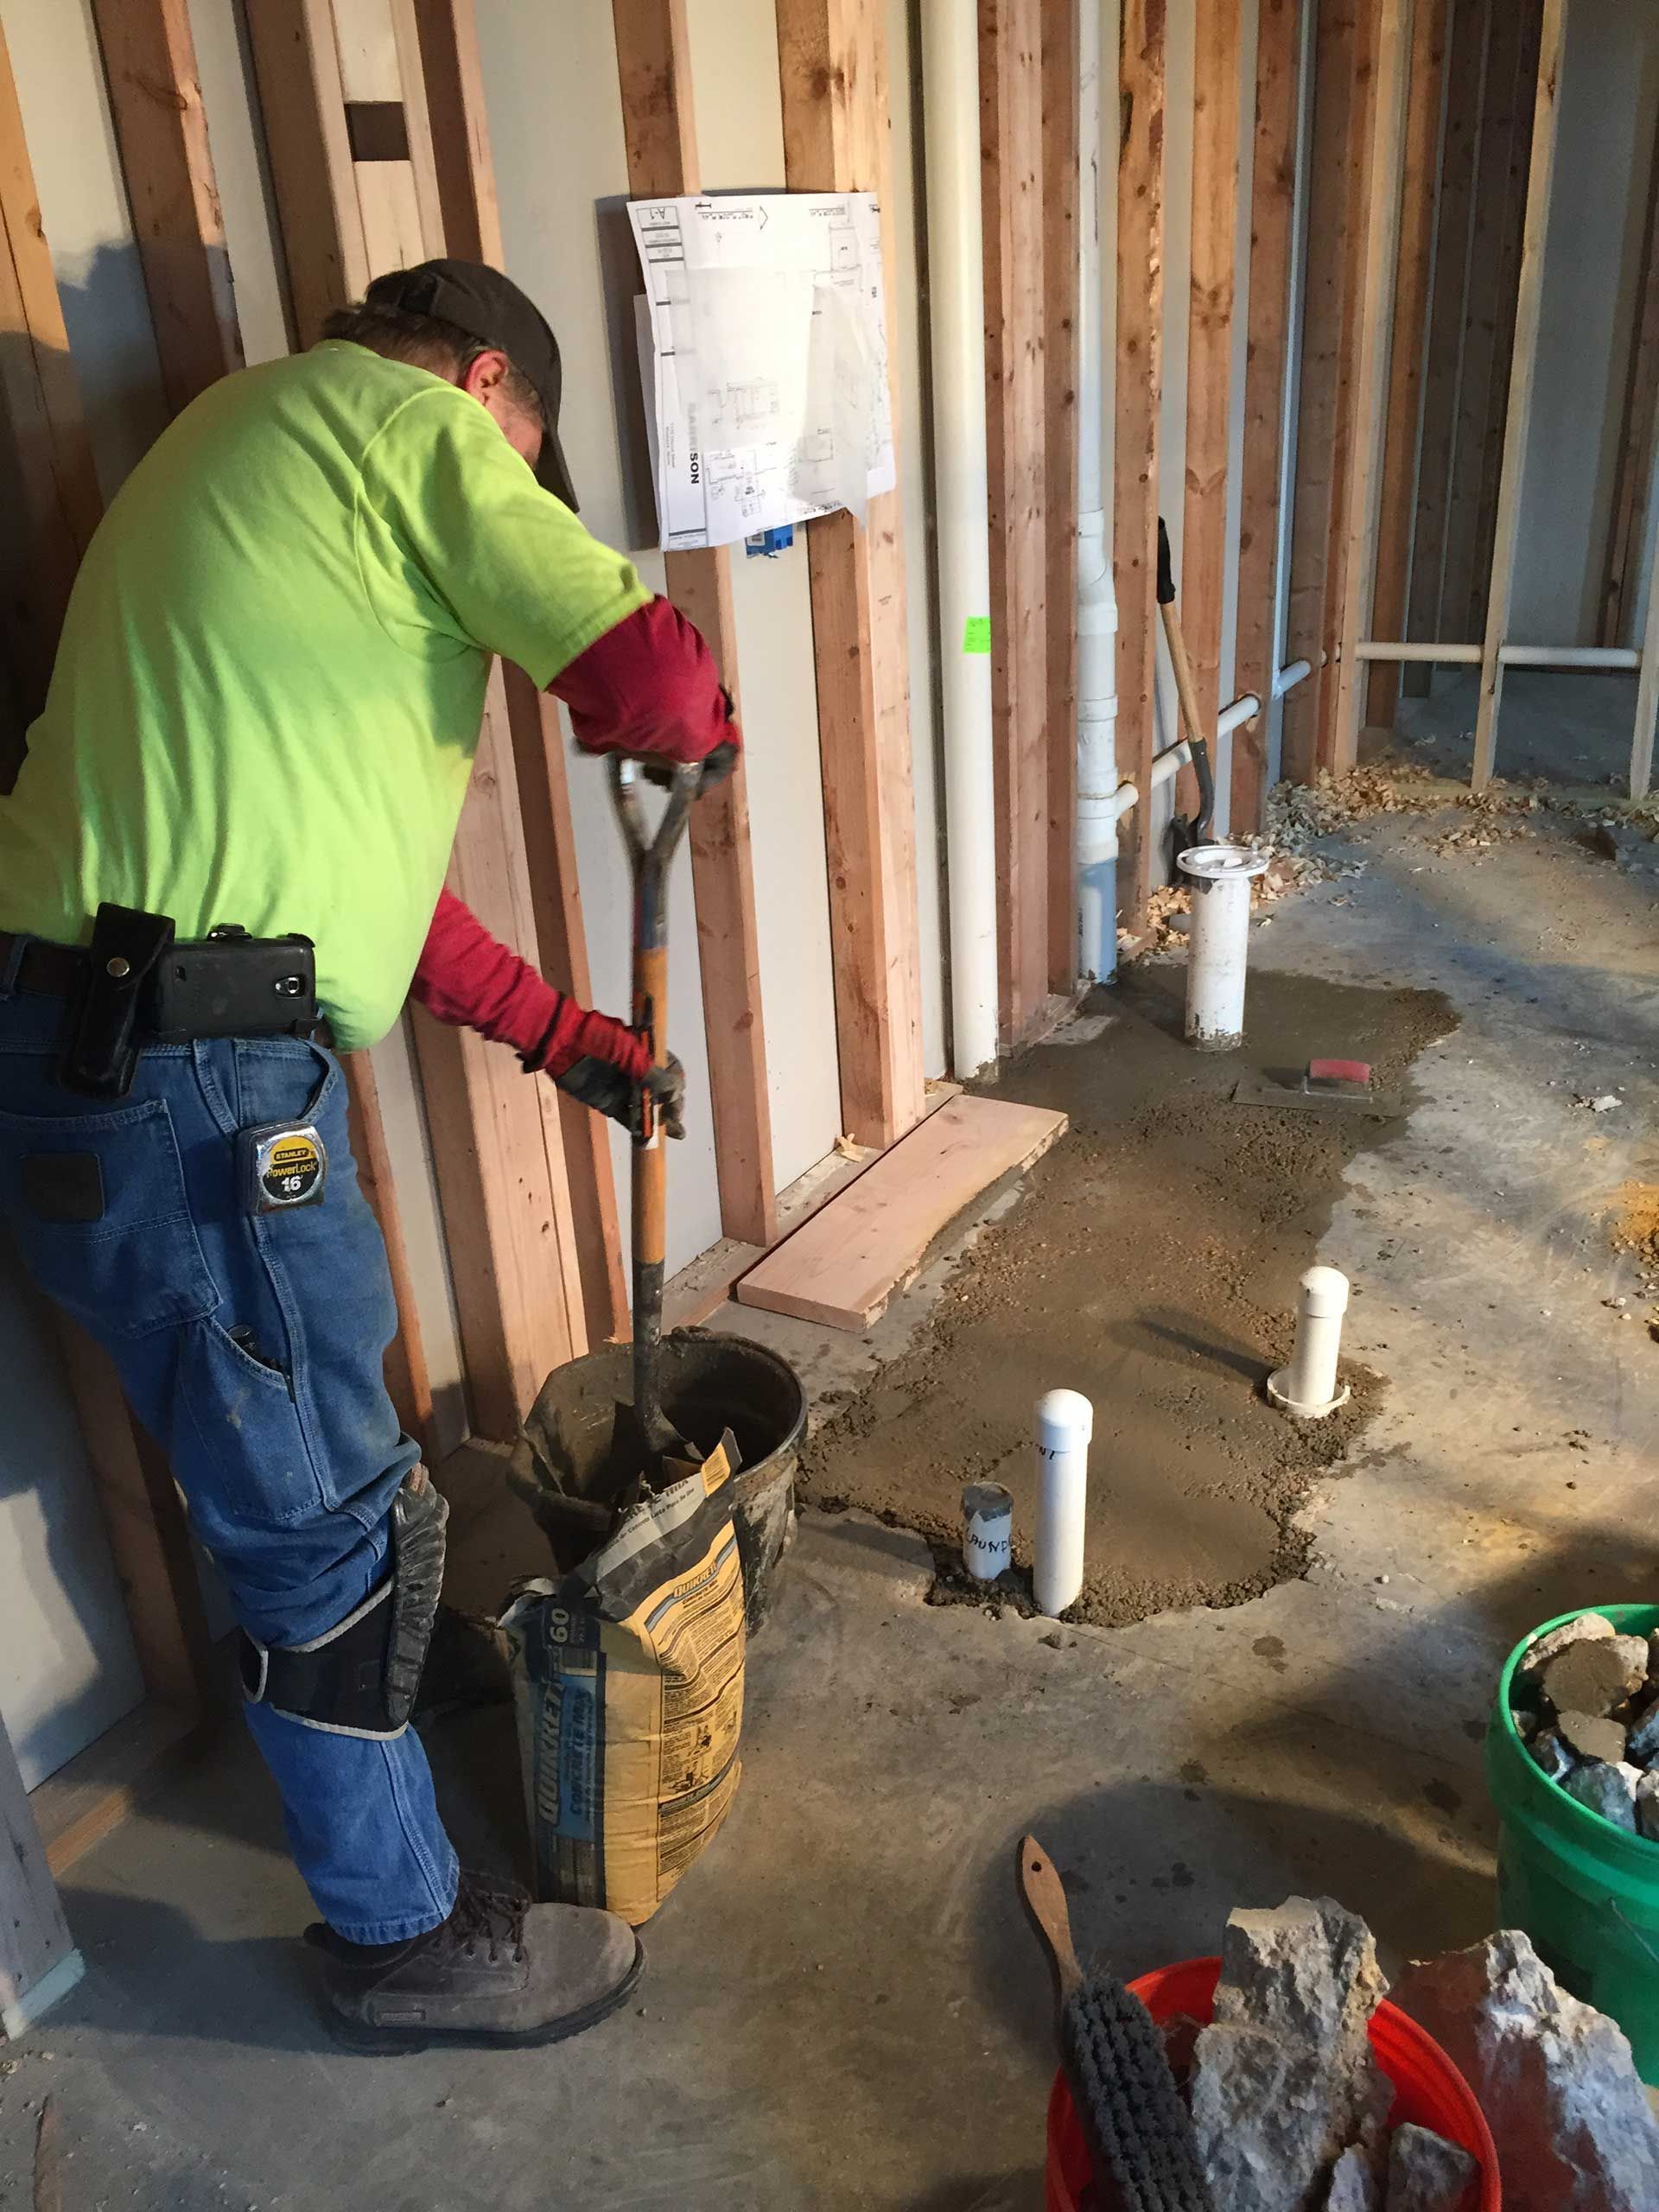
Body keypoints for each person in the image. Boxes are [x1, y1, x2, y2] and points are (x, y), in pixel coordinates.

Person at [0, 259, 739, 2052]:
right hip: (189, 1080)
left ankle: (381, 1732)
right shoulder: (399, 421)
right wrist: (696, 724)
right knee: (320, 1521)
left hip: (131, 1052)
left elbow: (364, 913)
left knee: (307, 1474)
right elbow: (646, 669)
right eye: (515, 454)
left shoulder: (250, 462)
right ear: (486, 386)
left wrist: (569, 1036)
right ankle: (403, 1928)